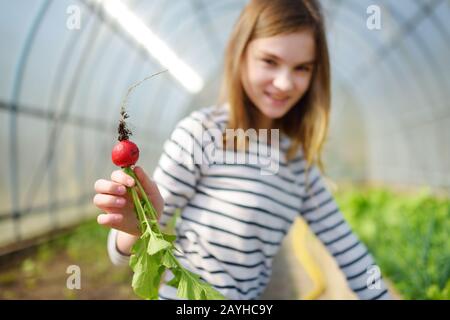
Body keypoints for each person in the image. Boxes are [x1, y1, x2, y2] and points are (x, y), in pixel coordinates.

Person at [93, 0, 391, 300]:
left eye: (302, 68)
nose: (285, 83)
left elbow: (348, 249)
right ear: (241, 54)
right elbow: (123, 251)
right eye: (270, 61)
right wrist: (136, 229)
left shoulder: (297, 163)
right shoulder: (202, 135)